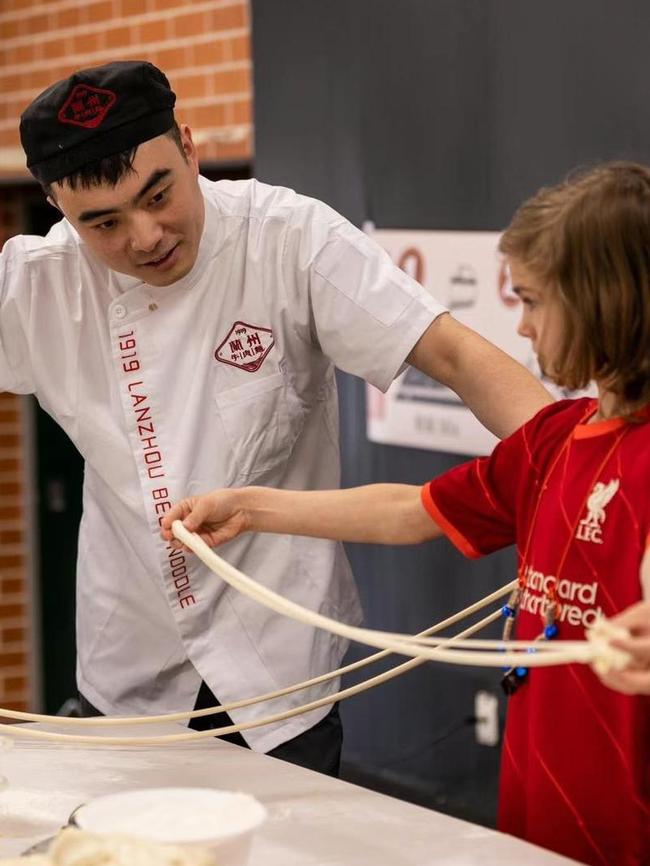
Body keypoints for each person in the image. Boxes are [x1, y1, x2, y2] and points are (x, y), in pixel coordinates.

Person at [5, 60, 551, 775]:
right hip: (130, 661)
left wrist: (579, 471)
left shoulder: (286, 237)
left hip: (276, 661)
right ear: (56, 207)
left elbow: (450, 353)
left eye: (159, 194)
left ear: (192, 149)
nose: (144, 237)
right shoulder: (37, 285)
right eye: (102, 223)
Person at [162, 163, 650, 865]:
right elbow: (410, 510)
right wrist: (251, 507)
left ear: (604, 302)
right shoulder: (552, 442)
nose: (522, 324)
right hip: (540, 818)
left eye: (535, 301)